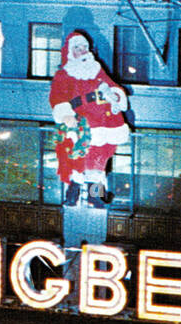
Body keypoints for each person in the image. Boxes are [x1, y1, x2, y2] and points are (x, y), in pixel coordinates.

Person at [49, 31, 130, 208]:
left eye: (85, 47)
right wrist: (65, 113)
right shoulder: (64, 74)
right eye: (78, 47)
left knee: (100, 160)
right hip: (83, 120)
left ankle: (96, 196)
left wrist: (116, 95)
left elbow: (112, 86)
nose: (83, 51)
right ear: (71, 51)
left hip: (107, 121)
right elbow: (57, 96)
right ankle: (73, 193)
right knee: (79, 158)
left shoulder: (97, 69)